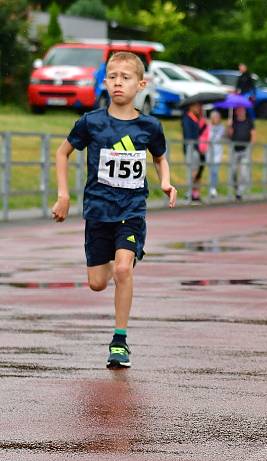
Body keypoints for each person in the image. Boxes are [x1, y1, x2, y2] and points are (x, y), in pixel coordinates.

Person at [50, 52, 177, 369]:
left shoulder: (149, 126)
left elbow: (160, 157)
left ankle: (119, 342)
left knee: (122, 270)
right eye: (113, 76)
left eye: (126, 77)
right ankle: (123, 259)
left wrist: (166, 182)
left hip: (131, 210)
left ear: (141, 83)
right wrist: (63, 195)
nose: (119, 82)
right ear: (105, 82)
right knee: (97, 283)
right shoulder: (91, 123)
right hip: (97, 212)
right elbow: (62, 153)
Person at [228, 107, 256, 201]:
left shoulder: (249, 122)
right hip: (235, 149)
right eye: (238, 110)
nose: (240, 112)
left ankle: (240, 192)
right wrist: (229, 127)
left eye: (242, 110)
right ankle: (235, 188)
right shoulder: (234, 122)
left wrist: (251, 146)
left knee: (244, 172)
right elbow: (229, 136)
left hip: (245, 149)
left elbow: (253, 134)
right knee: (233, 171)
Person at [181, 102, 207, 203]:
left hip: (196, 148)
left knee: (195, 171)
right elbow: (189, 135)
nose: (198, 108)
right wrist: (194, 146)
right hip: (191, 148)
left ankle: (192, 193)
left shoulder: (195, 119)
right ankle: (189, 193)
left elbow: (198, 133)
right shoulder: (187, 118)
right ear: (191, 107)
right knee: (191, 171)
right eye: (196, 106)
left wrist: (203, 126)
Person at [207, 110, 226, 199]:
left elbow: (220, 137)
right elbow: (208, 138)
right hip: (209, 152)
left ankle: (213, 188)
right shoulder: (208, 127)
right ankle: (209, 188)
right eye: (214, 117)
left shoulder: (222, 128)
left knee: (215, 172)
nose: (216, 119)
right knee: (210, 172)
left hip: (217, 153)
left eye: (217, 118)